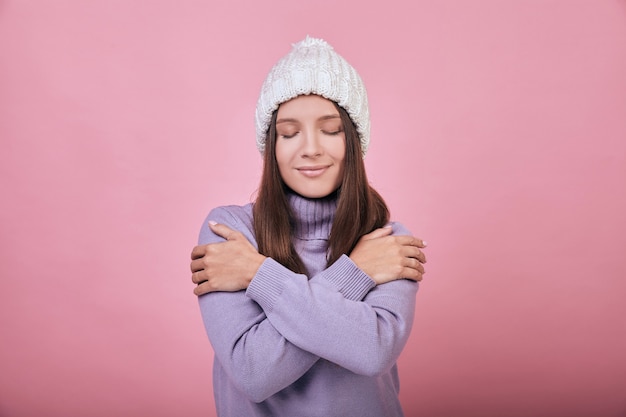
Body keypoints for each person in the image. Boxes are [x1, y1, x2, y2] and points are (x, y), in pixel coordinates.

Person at [189, 36, 427, 417]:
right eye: (289, 132)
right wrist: (357, 274)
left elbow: (372, 351)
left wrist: (256, 274)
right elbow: (254, 372)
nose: (311, 147)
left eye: (330, 130)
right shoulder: (230, 232)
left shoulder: (387, 240)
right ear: (272, 145)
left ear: (353, 141)